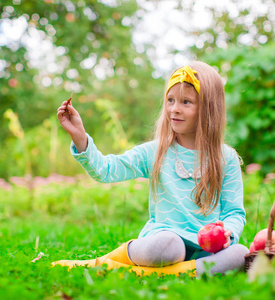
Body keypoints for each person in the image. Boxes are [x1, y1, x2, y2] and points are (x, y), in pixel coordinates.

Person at [52, 61, 248, 277]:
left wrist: (229, 231)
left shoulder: (225, 158)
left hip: (206, 250)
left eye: (186, 102)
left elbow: (234, 212)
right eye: (170, 100)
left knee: (241, 253)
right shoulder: (156, 152)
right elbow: (106, 170)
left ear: (209, 108)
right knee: (170, 246)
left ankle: (161, 273)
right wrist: (80, 137)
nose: (175, 108)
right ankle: (108, 261)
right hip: (164, 242)